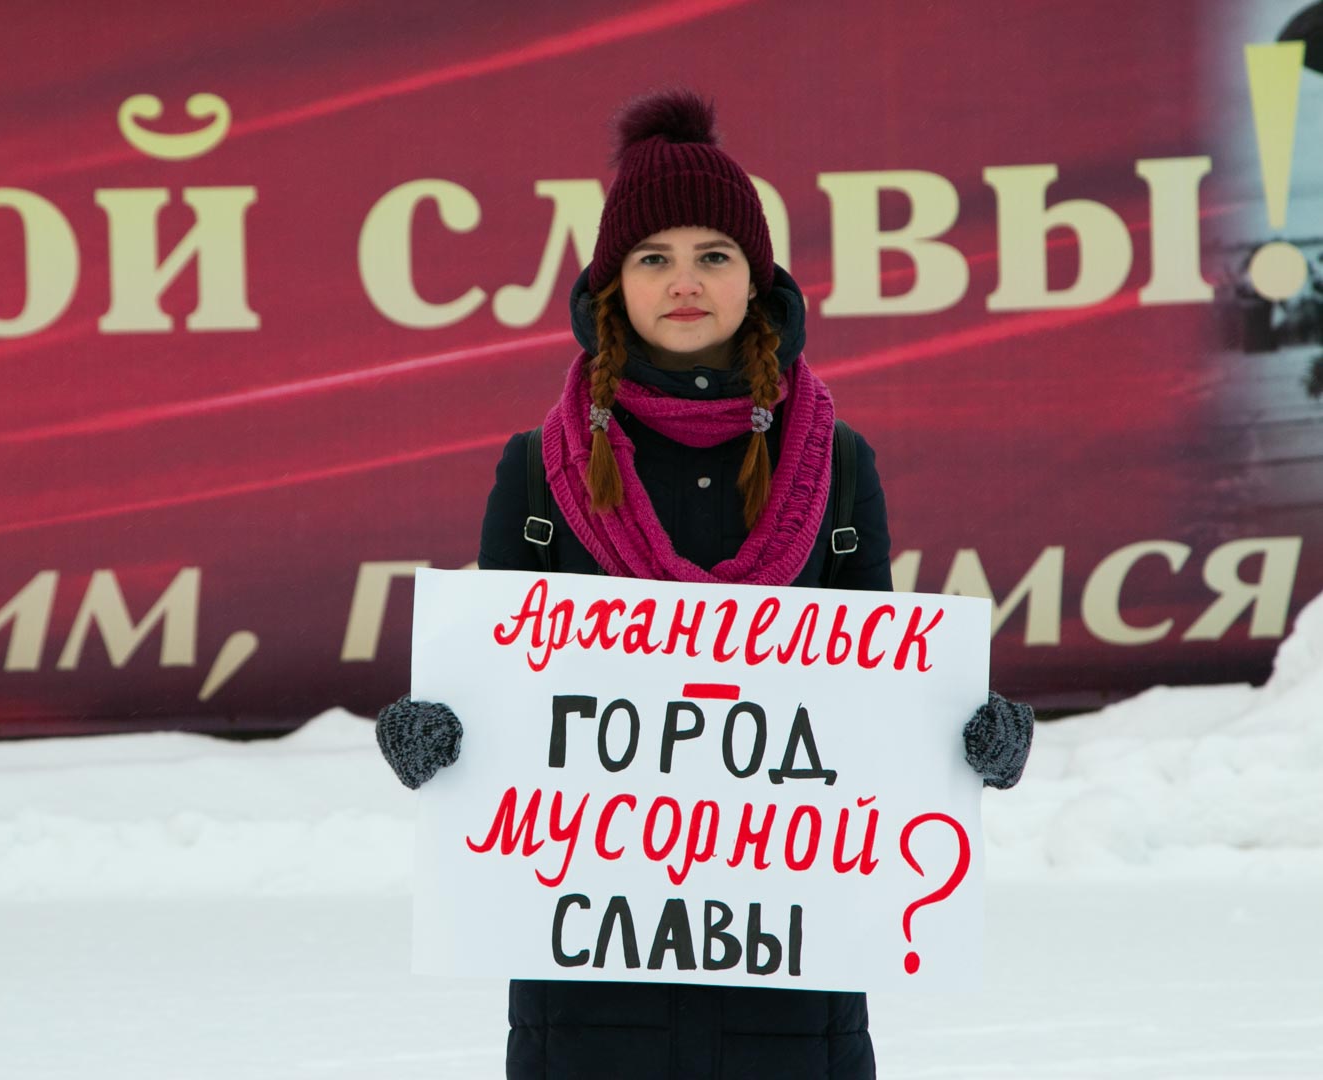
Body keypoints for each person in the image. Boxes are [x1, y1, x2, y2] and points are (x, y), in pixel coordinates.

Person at [376, 89, 1034, 1080]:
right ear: (612, 285)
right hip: (588, 989)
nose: (685, 282)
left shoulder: (839, 466)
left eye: (714, 256)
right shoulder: (537, 472)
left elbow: (875, 699)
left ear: (756, 279)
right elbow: (494, 702)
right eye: (654, 258)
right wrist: (428, 733)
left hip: (790, 985)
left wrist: (971, 735)